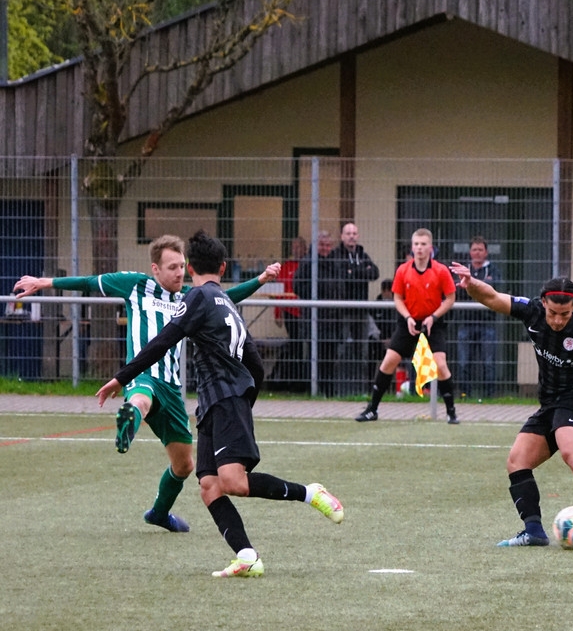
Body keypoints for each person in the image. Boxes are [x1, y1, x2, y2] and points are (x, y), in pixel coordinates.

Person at [96, 230, 344, 577]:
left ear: (192, 266)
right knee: (209, 486)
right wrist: (246, 398)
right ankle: (246, 555)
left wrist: (121, 377)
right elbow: (254, 361)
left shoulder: (196, 298)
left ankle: (309, 493)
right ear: (224, 267)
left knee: (234, 482)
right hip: (216, 403)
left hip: (225, 399)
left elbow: (163, 341)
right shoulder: (225, 301)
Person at [13, 235, 280, 533]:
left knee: (185, 465)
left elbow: (225, 297)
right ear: (155, 269)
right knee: (142, 397)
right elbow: (89, 281)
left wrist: (260, 279)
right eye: (171, 267)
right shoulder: (135, 285)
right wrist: (45, 283)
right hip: (143, 375)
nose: (179, 273)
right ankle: (130, 416)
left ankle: (159, 513)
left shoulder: (189, 296)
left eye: (182, 266)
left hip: (173, 388)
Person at [450, 266, 573, 548]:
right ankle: (533, 531)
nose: (557, 320)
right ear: (543, 302)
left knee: (572, 451)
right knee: (517, 461)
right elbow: (493, 298)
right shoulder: (531, 310)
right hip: (550, 403)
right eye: (553, 313)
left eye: (565, 314)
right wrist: (471, 284)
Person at [356, 228, 459, 423]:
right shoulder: (403, 270)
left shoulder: (440, 270)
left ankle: (451, 413)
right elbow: (397, 297)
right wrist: (408, 318)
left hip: (433, 323)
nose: (419, 248)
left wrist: (433, 317)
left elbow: (450, 298)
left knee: (440, 364)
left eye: (423, 244)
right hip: (408, 322)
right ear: (412, 247)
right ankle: (372, 410)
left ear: (430, 248)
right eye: (416, 244)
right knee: (389, 361)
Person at [330, 222, 380, 394]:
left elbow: (374, 273)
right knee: (341, 349)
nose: (352, 236)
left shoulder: (362, 253)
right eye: (348, 233)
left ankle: (364, 389)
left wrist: (354, 271)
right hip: (343, 311)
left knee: (363, 351)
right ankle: (339, 389)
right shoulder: (336, 255)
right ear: (342, 236)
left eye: (354, 233)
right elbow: (342, 275)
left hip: (361, 310)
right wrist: (359, 271)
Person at [455, 236, 502, 398]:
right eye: (474, 249)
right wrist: (479, 288)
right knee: (463, 362)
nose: (477, 252)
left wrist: (471, 287)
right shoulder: (463, 270)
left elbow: (495, 291)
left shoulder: (494, 271)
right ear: (470, 252)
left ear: (486, 252)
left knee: (488, 362)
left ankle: (489, 396)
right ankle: (464, 394)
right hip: (465, 322)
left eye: (480, 249)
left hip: (487, 322)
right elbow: (458, 291)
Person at [292, 230, 337, 396]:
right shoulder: (308, 262)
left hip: (332, 319)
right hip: (314, 319)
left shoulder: (334, 262)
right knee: (315, 356)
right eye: (322, 245)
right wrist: (315, 294)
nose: (326, 248)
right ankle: (314, 390)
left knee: (330, 358)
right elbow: (297, 286)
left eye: (328, 245)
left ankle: (329, 392)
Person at [272, 235, 308, 391]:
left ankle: (303, 380)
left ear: (304, 248)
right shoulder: (286, 266)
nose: (296, 250)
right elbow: (280, 292)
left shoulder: (308, 265)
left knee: (305, 345)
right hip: (290, 311)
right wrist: (277, 313)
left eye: (299, 246)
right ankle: (293, 380)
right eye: (294, 247)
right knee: (295, 345)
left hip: (306, 312)